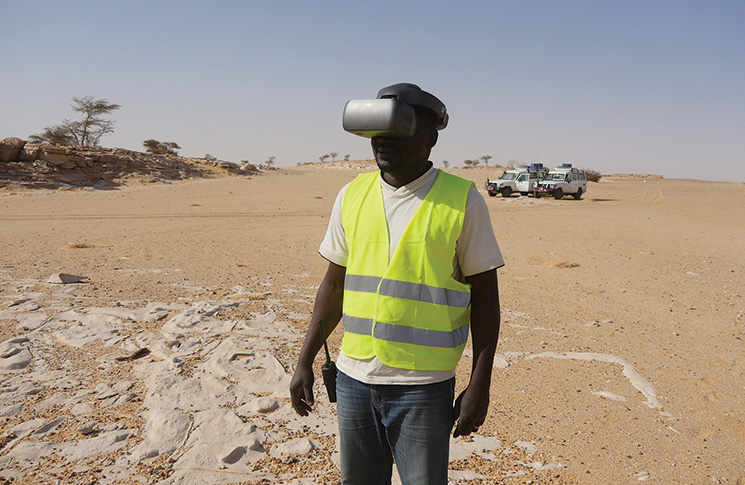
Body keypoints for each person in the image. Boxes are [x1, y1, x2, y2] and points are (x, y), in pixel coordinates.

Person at [290, 83, 504, 485]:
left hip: (423, 387)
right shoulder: (352, 195)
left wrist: (480, 383)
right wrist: (305, 358)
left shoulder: (463, 200)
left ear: (431, 137)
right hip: (354, 380)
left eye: (400, 128)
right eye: (378, 131)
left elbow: (486, 299)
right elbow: (333, 286)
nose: (384, 142)